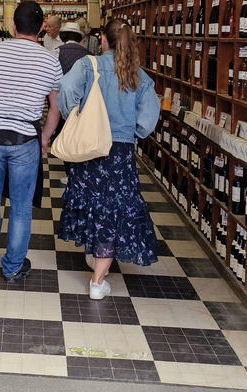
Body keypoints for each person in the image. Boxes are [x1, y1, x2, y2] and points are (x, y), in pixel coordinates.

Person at [56, 18, 161, 299]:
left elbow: (66, 91)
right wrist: (130, 131)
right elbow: (148, 121)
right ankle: (98, 274)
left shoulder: (88, 65)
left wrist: (73, 115)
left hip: (90, 147)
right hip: (120, 152)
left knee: (92, 202)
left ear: (102, 40)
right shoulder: (140, 76)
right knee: (115, 209)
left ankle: (97, 274)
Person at [0, 2, 62, 282]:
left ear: (13, 26)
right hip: (25, 139)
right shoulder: (50, 60)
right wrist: (45, 137)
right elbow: (55, 107)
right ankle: (12, 266)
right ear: (42, 28)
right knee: (20, 206)